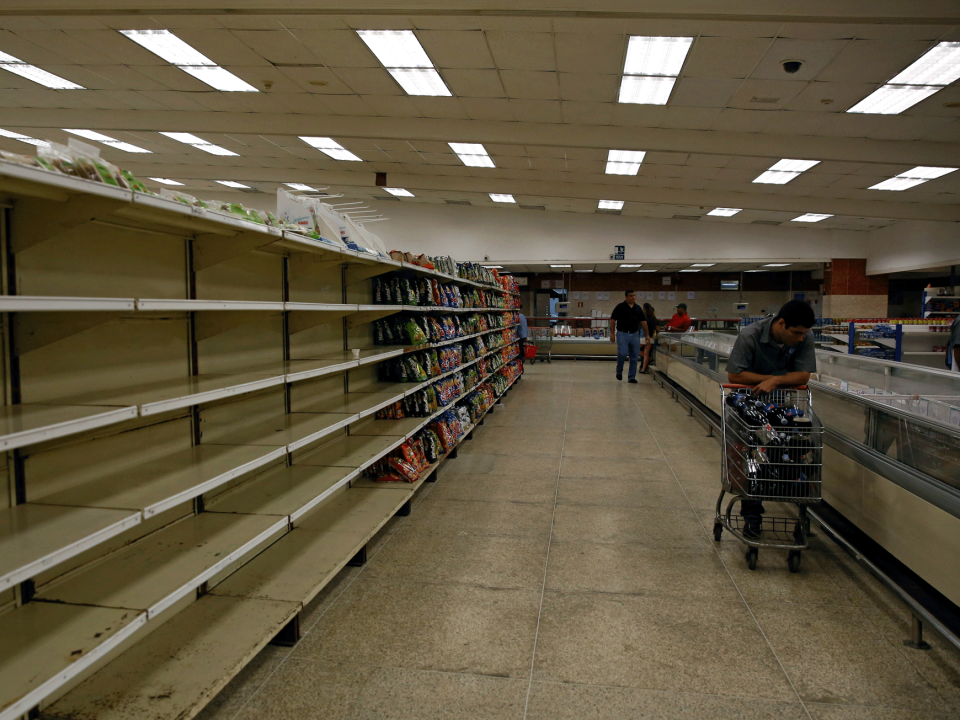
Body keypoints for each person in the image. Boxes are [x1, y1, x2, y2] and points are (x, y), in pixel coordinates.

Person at [726, 300, 818, 539]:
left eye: (803, 334)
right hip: (749, 407)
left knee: (787, 456)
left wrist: (775, 382)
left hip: (784, 408)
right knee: (751, 459)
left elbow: (804, 374)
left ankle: (793, 504)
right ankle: (752, 515)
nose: (800, 339)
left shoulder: (805, 338)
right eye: (796, 333)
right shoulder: (750, 336)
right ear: (781, 323)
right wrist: (768, 381)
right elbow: (735, 373)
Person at [609, 290, 650, 383]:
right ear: (626, 297)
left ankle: (631, 376)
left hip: (635, 334)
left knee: (634, 356)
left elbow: (643, 322)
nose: (633, 297)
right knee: (622, 353)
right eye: (631, 296)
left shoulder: (638, 308)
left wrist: (647, 335)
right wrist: (612, 333)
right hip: (622, 333)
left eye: (634, 296)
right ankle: (619, 371)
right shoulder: (620, 307)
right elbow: (613, 320)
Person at [640, 303, 658, 374]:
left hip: (644, 337)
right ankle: (643, 369)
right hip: (651, 338)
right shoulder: (654, 318)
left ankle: (649, 359)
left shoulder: (644, 317)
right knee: (646, 353)